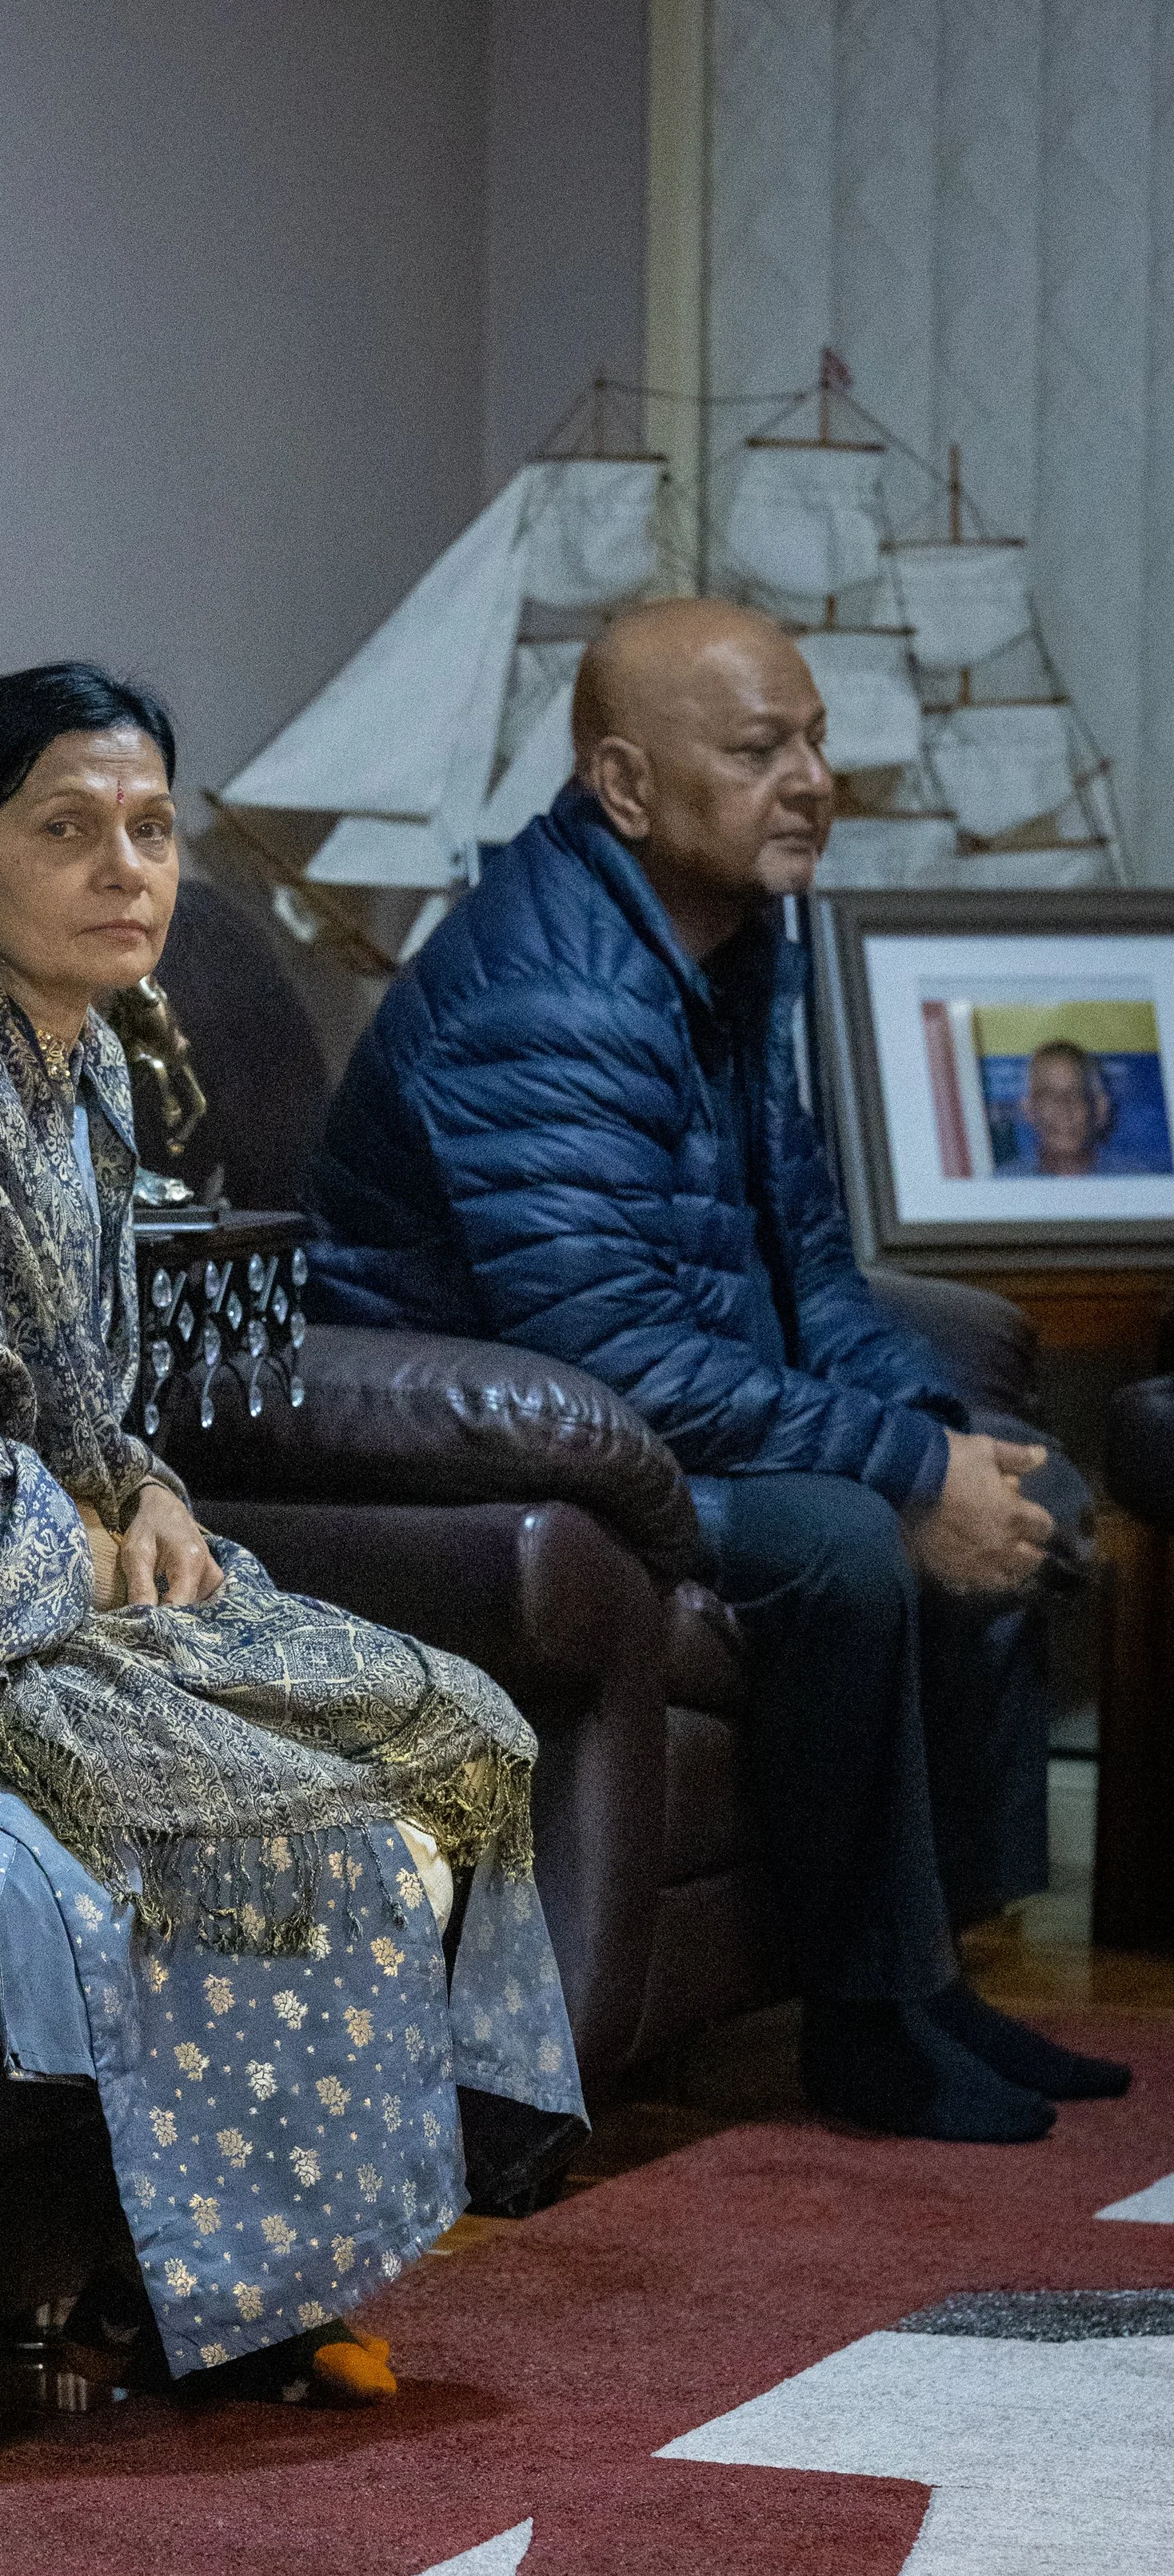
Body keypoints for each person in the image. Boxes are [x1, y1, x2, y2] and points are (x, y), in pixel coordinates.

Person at [0, 661, 585, 2403]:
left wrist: (147, 1495)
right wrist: (95, 1555)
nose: (124, 870)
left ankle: (259, 2269)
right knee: (287, 1821)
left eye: (150, 830)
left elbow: (79, 1395)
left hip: (34, 1585)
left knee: (456, 1730)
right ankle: (223, 2306)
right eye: (65, 831)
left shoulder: (80, 1064)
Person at [307, 599, 1127, 2143]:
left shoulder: (736, 943)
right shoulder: (550, 995)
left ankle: (929, 1978)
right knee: (843, 1548)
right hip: (527, 1443)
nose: (813, 778)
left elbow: (806, 1255)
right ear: (624, 785)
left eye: (815, 741)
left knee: (1022, 1483)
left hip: (659, 1406)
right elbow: (600, 1345)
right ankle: (864, 2019)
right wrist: (895, 1476)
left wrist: (938, 1435)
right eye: (762, 750)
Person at [1016, 1038, 1115, 1177]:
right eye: (1049, 1095)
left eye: (1075, 1094)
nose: (1063, 1109)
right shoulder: (1000, 1188)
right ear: (1029, 1109)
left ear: (1100, 1109)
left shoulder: (1138, 1184)